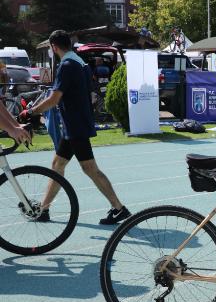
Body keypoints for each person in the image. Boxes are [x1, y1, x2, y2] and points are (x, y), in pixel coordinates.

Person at [18, 30, 131, 224]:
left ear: (53, 47)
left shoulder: (67, 65)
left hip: (75, 126)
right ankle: (44, 210)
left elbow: (54, 99)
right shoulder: (79, 62)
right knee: (57, 165)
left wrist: (30, 112)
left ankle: (119, 208)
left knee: (90, 169)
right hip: (74, 124)